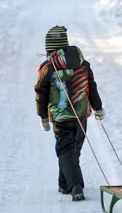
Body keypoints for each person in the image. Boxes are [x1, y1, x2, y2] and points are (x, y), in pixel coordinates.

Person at [34, 25, 104, 201]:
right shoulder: (83, 63)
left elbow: (41, 93)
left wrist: (43, 116)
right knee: (73, 150)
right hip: (81, 115)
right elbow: (91, 87)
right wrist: (98, 108)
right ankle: (64, 184)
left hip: (60, 117)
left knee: (66, 150)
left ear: (50, 49)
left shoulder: (47, 68)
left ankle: (76, 186)